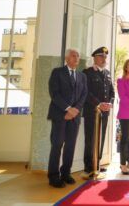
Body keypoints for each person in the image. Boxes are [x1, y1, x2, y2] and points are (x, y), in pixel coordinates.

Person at [47, 48, 87, 188]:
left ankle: (66, 173)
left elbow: (83, 95)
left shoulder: (82, 76)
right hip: (60, 115)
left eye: (78, 56)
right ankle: (53, 176)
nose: (76, 58)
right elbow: (54, 93)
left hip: (74, 117)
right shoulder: (57, 72)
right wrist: (68, 109)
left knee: (70, 146)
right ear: (66, 58)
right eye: (73, 56)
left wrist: (75, 110)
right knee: (57, 145)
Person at [81, 46, 115, 180]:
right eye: (101, 56)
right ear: (94, 58)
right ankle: (89, 166)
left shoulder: (107, 73)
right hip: (92, 112)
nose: (104, 59)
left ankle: (97, 163)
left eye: (105, 57)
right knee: (90, 139)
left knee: (100, 138)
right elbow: (85, 92)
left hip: (104, 112)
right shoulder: (87, 72)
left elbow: (112, 92)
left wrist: (110, 103)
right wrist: (98, 104)